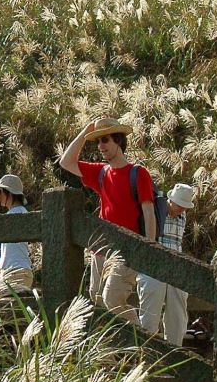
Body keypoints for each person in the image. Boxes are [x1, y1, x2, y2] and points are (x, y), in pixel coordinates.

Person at [58, 118, 157, 327]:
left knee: (112, 299)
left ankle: (145, 343)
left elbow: (149, 213)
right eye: (98, 142)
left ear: (118, 141)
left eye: (105, 140)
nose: (100, 146)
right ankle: (121, 352)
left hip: (128, 250)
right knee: (98, 300)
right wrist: (86, 130)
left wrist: (149, 249)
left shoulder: (138, 173)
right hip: (101, 251)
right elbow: (66, 162)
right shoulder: (100, 173)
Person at [138, 184, 196, 344]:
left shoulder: (182, 216)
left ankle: (174, 350)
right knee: (150, 312)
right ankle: (147, 351)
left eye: (185, 207)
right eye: (179, 205)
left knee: (178, 313)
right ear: (170, 200)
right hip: (154, 265)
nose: (181, 210)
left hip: (176, 266)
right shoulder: (155, 211)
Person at [0, 174, 35, 294]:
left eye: (0, 192)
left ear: (7, 193)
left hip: (13, 271)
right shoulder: (22, 212)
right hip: (21, 270)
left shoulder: (13, 215)